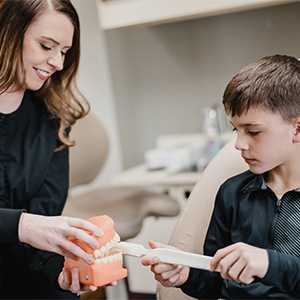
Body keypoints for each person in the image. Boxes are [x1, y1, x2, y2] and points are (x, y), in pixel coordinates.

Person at [142, 54, 300, 298]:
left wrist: (271, 264)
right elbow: (214, 279)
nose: (238, 144)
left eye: (253, 131)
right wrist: (186, 274)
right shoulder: (233, 193)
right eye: (236, 129)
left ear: (297, 128)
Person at [0, 0, 106, 298]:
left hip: (22, 275)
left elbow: (43, 221)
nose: (58, 63)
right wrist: (20, 225)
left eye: (64, 52)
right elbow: (30, 226)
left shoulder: (53, 122)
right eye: (47, 46)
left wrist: (59, 271)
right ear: (8, 33)